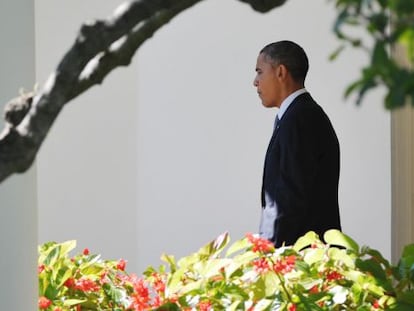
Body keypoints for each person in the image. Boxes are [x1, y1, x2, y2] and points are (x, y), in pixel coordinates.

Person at [253, 40, 341, 247]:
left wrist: (267, 250)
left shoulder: (300, 119)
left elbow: (289, 198)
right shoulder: (298, 116)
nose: (255, 82)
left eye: (259, 72)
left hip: (303, 259)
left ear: (281, 72)